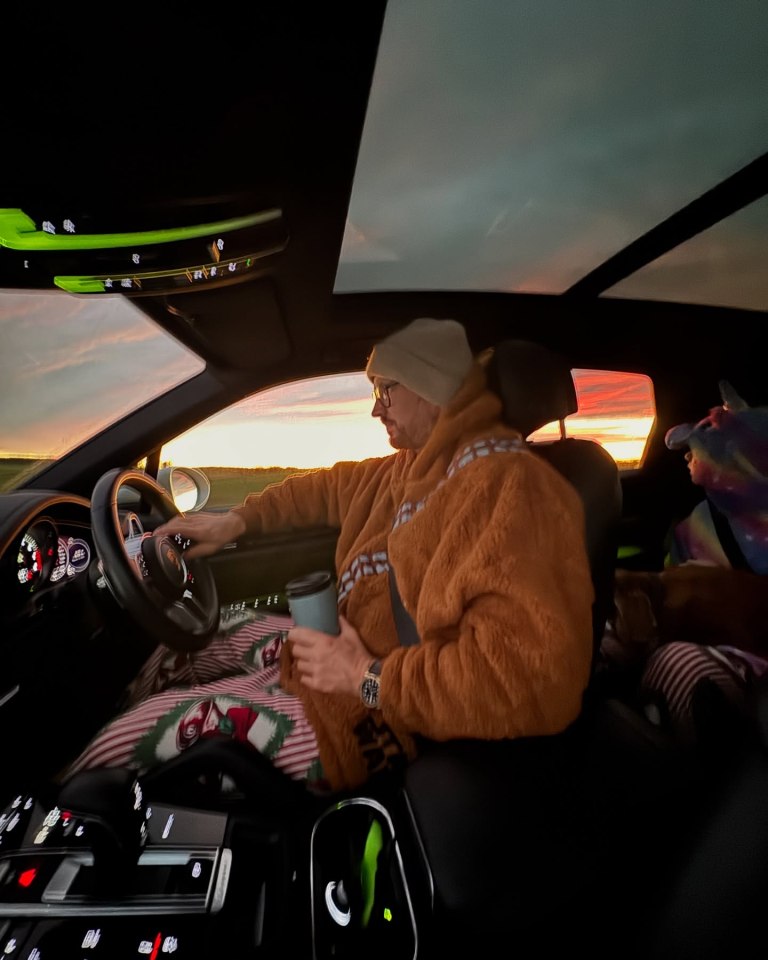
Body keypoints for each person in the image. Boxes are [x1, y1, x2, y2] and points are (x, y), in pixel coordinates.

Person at [65, 318, 594, 793]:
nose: (375, 407)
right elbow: (322, 489)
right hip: (341, 664)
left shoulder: (509, 490)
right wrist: (234, 522)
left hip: (376, 720)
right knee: (188, 644)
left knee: (134, 736)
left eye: (386, 389)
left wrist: (364, 675)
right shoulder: (410, 467)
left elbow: (528, 679)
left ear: (432, 389)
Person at [602, 380, 768, 745]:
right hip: (694, 636)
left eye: (698, 449)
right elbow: (667, 578)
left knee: (681, 667)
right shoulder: (699, 522)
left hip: (747, 652)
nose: (687, 457)